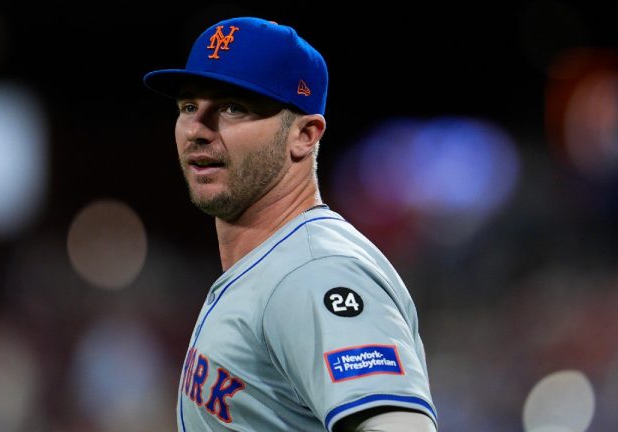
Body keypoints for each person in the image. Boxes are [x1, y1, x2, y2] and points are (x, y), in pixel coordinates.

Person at [143, 16, 437, 432]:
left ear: (304, 135)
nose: (197, 130)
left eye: (233, 107)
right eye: (189, 106)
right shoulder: (273, 263)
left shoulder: (314, 272)